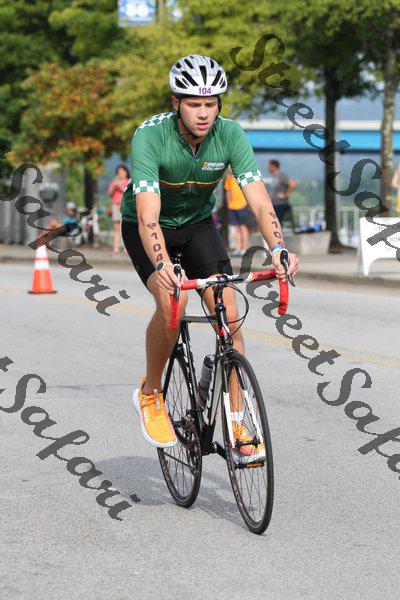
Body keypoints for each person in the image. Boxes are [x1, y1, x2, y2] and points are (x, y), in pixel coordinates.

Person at [121, 54, 299, 453]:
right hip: (147, 226)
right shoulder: (149, 136)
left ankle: (237, 421)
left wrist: (278, 247)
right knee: (174, 300)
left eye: (211, 104)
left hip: (198, 225)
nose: (203, 113)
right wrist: (162, 263)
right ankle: (150, 393)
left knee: (230, 312)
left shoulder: (230, 134)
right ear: (175, 103)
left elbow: (258, 198)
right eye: (193, 104)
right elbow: (148, 213)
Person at [224, 169, 251, 256]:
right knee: (236, 228)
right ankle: (238, 248)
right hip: (232, 206)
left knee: (243, 227)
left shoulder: (242, 175)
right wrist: (229, 204)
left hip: (242, 205)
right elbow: (228, 191)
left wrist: (246, 203)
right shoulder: (229, 177)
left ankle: (245, 248)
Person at [108, 165, 130, 255]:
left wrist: (120, 186)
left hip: (125, 205)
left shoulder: (129, 181)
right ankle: (116, 248)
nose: (120, 174)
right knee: (116, 228)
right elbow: (110, 194)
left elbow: (129, 193)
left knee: (125, 226)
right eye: (119, 172)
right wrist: (114, 186)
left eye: (122, 171)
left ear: (126, 172)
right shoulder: (114, 182)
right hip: (115, 205)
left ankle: (127, 248)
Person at [267, 160, 296, 225]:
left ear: (273, 166)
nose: (268, 167)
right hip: (274, 205)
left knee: (274, 222)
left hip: (280, 205)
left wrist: (285, 195)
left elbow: (292, 184)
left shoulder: (281, 176)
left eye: (269, 166)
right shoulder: (274, 177)